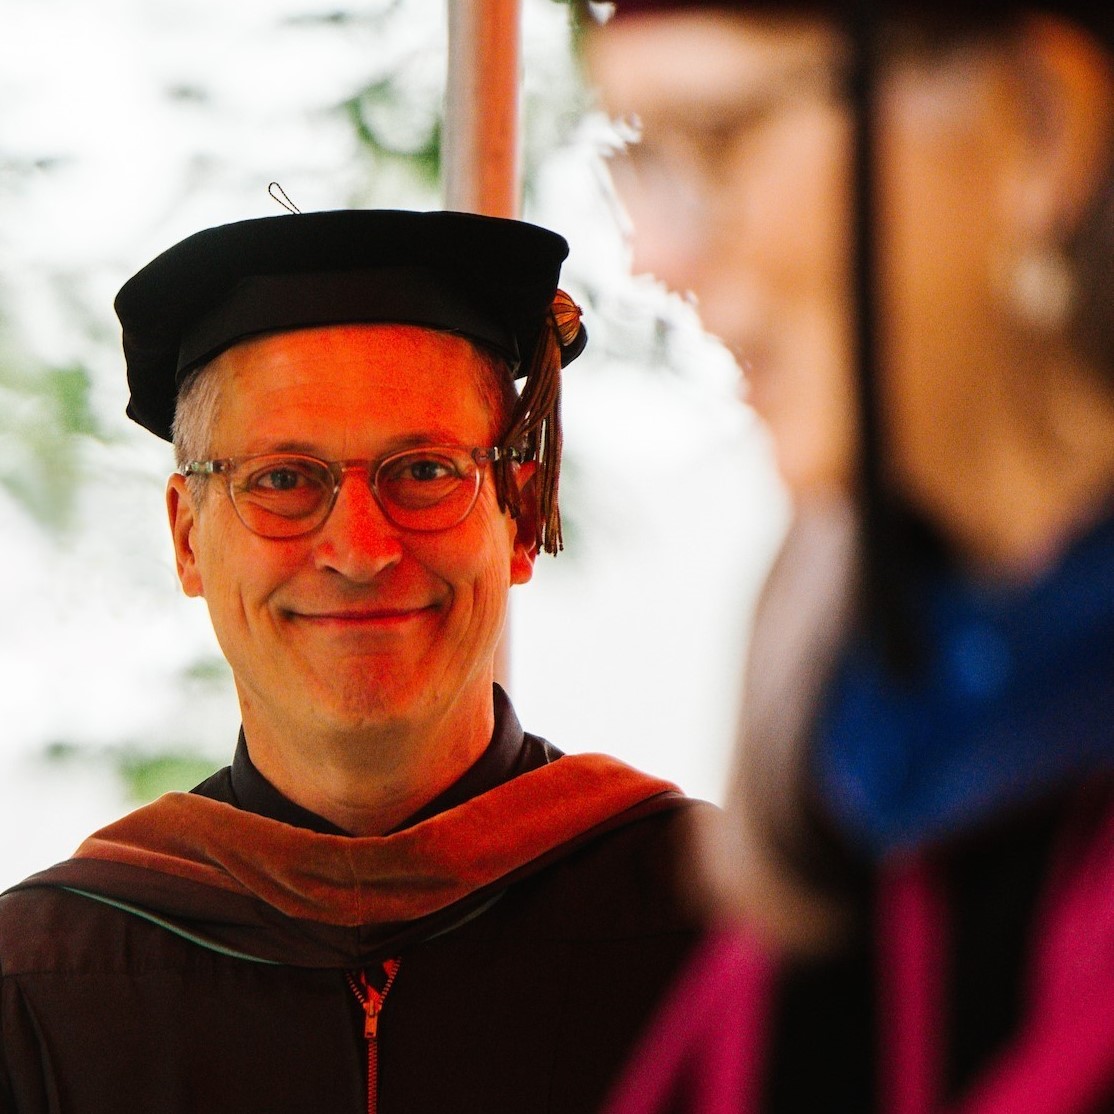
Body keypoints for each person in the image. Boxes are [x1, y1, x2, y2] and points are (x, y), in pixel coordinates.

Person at [0, 208, 707, 1114]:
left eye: (423, 471)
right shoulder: (44, 985)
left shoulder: (725, 934)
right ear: (186, 539)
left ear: (519, 517)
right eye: (283, 480)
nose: (361, 548)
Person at [578, 1, 1114, 1110]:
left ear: (1038, 123)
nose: (654, 255)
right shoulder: (862, 752)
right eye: (645, 159)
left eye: (716, 138)